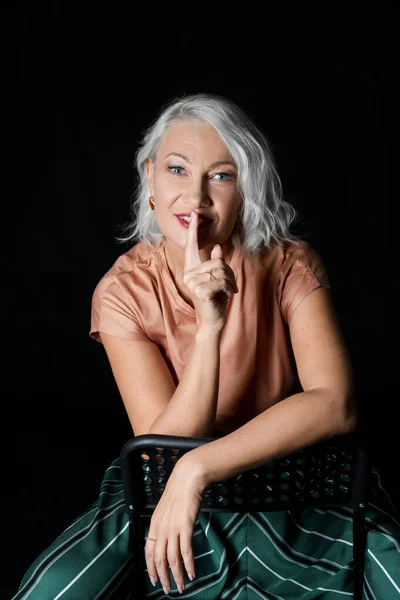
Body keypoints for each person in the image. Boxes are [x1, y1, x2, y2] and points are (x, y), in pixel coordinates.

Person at [12, 93, 400, 599]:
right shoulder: (121, 291)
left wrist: (200, 467)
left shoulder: (289, 264)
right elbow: (161, 454)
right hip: (161, 489)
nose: (195, 197)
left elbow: (335, 403)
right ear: (150, 177)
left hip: (295, 477)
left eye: (222, 175)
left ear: (246, 189)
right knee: (55, 590)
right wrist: (211, 327)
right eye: (177, 169)